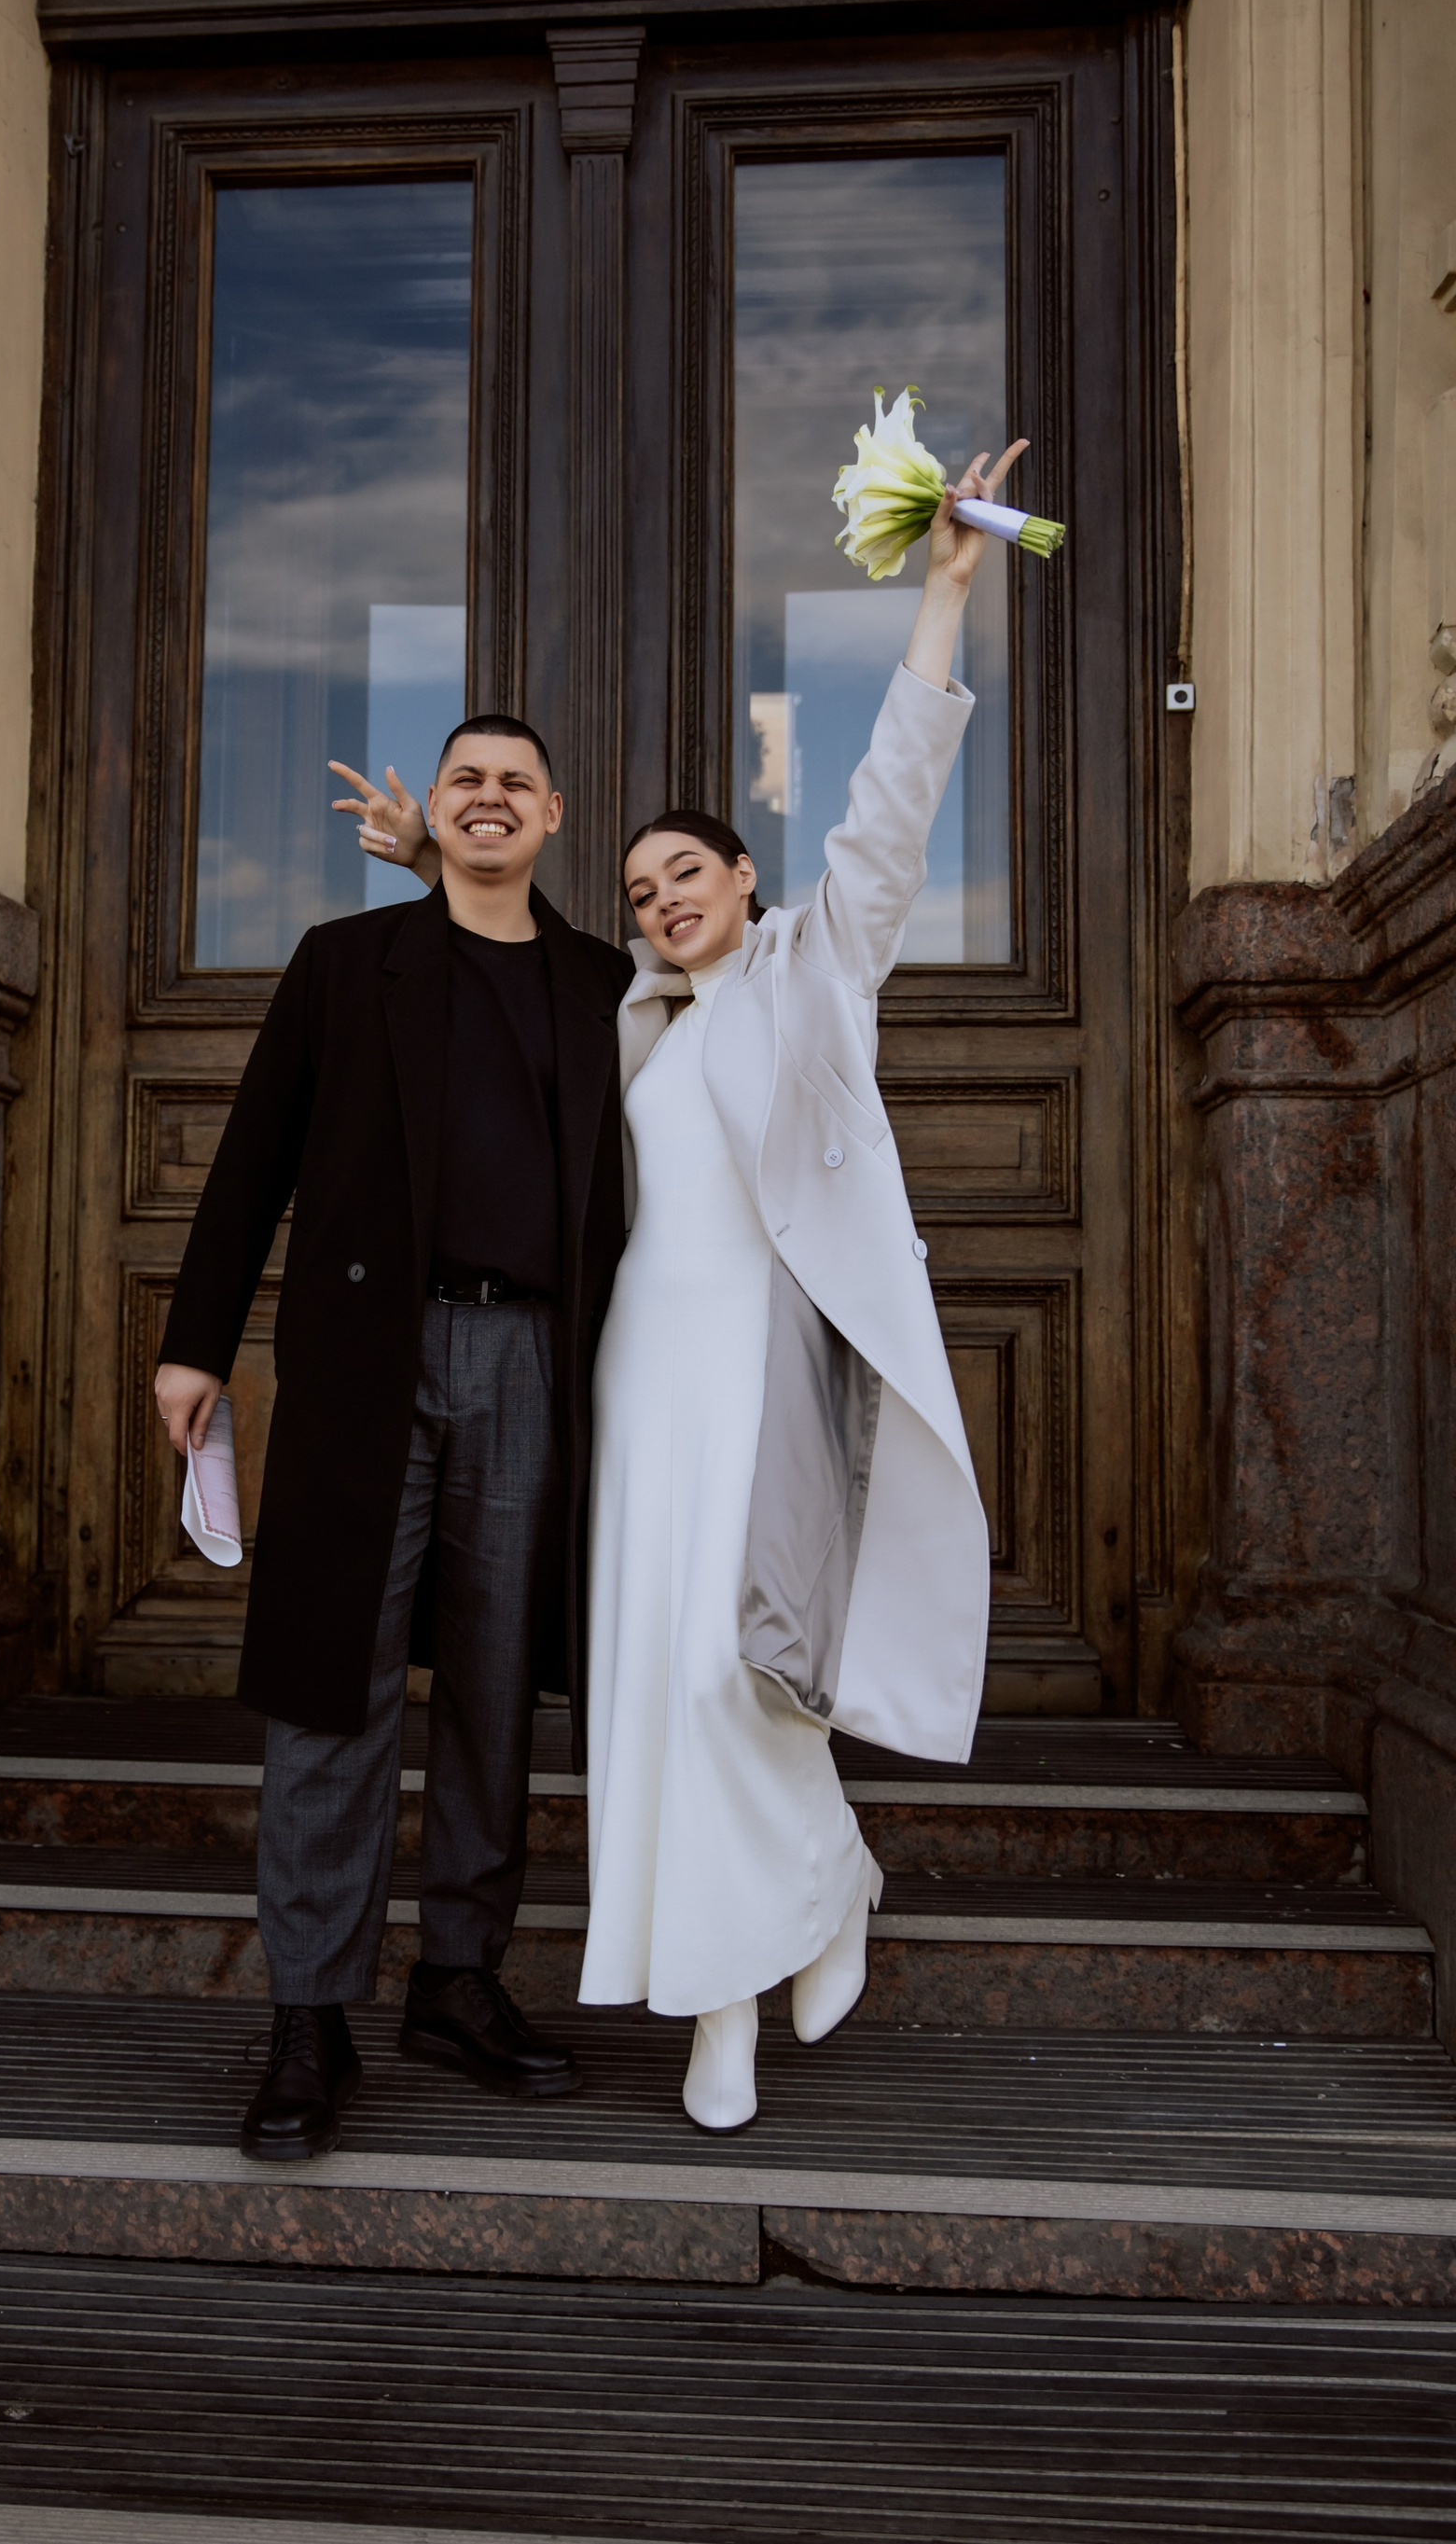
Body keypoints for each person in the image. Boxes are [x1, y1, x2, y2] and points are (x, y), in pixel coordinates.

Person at [354, 439, 1020, 2132]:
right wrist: (433, 860)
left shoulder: (817, 974)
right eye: (645, 892)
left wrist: (945, 594)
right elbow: (504, 961)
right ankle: (748, 1964)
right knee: (651, 1680)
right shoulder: (626, 1015)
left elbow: (888, 813)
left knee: (740, 1665)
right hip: (633, 1376)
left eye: (688, 878)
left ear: (745, 881)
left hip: (759, 1374)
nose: (663, 905)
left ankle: (781, 1934)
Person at [154, 715, 630, 2162]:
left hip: (535, 1358)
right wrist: (194, 1339)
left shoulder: (604, 985)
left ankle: (459, 1978)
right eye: (464, 780)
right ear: (438, 805)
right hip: (369, 1356)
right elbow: (254, 1154)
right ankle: (310, 2011)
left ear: (554, 814)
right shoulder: (344, 962)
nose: (489, 799)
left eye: (514, 784)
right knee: (331, 1686)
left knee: (495, 1683)